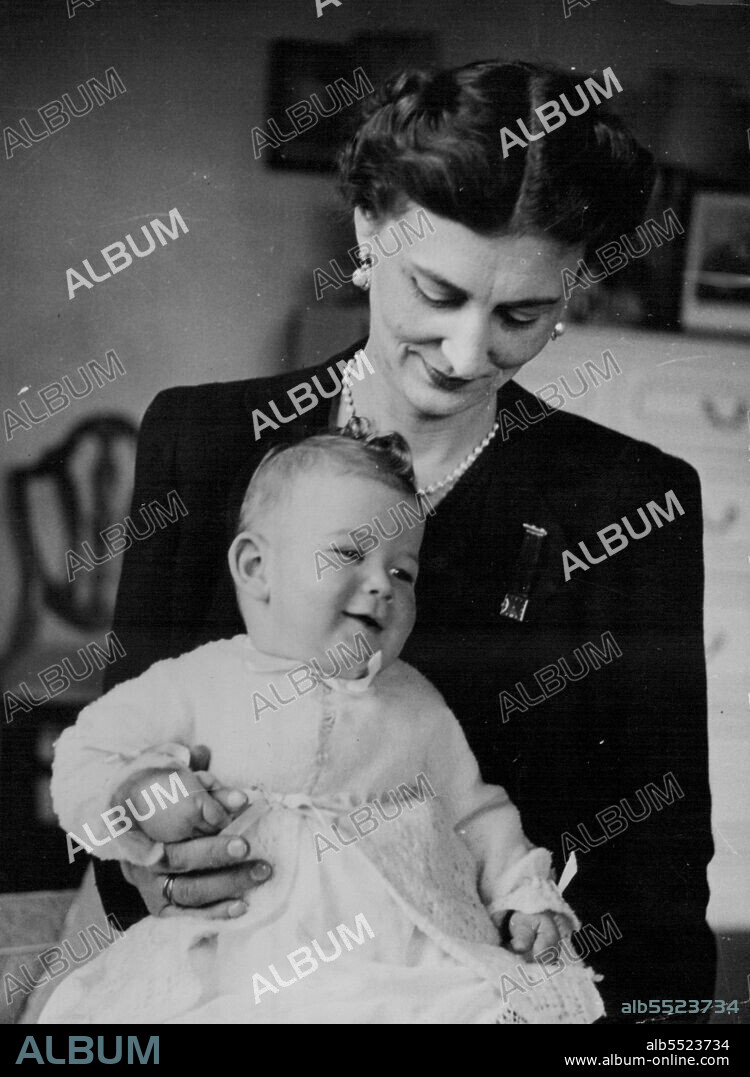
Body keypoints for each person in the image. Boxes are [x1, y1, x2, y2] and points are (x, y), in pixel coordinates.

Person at [91, 60, 715, 1022]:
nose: (469, 355)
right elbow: (123, 758)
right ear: (369, 232)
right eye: (436, 291)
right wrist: (150, 873)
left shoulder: (634, 501)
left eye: (523, 314)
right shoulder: (202, 443)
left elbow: (661, 859)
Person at [41, 432, 604, 1024]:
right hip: (242, 961)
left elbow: (478, 816)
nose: (384, 583)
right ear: (257, 568)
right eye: (348, 554)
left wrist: (522, 899)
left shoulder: (415, 704)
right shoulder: (196, 682)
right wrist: (145, 794)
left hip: (405, 968)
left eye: (404, 572)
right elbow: (84, 756)